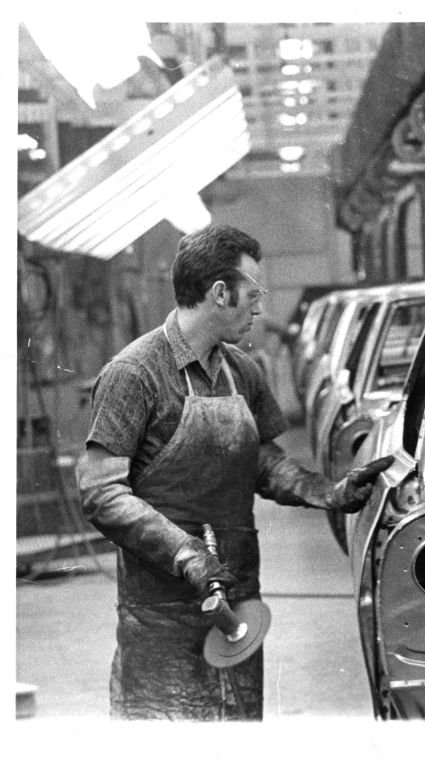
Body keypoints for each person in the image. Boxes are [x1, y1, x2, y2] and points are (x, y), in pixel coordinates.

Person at [76, 225, 392, 721]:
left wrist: (326, 492)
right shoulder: (134, 374)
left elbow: (261, 460)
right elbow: (101, 492)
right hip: (162, 609)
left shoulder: (241, 371)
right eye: (253, 293)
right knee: (168, 753)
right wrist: (185, 553)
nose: (260, 307)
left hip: (239, 597)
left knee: (237, 742)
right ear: (220, 293)